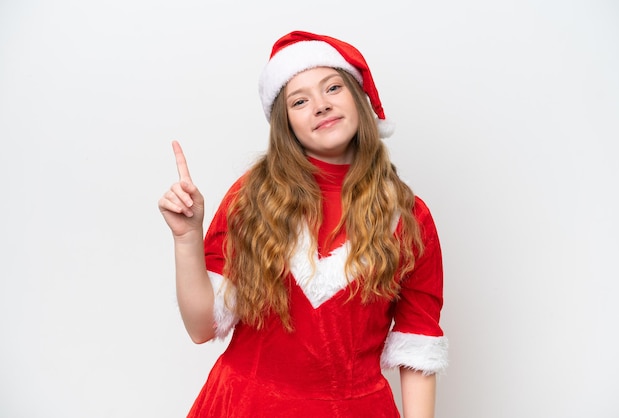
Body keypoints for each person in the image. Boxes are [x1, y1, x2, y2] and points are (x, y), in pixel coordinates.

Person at [158, 30, 448, 418]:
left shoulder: (409, 218)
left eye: (333, 88)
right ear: (286, 124)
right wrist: (187, 238)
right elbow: (201, 328)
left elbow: (419, 349)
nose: (321, 105)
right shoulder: (252, 196)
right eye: (300, 100)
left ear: (360, 100)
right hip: (244, 406)